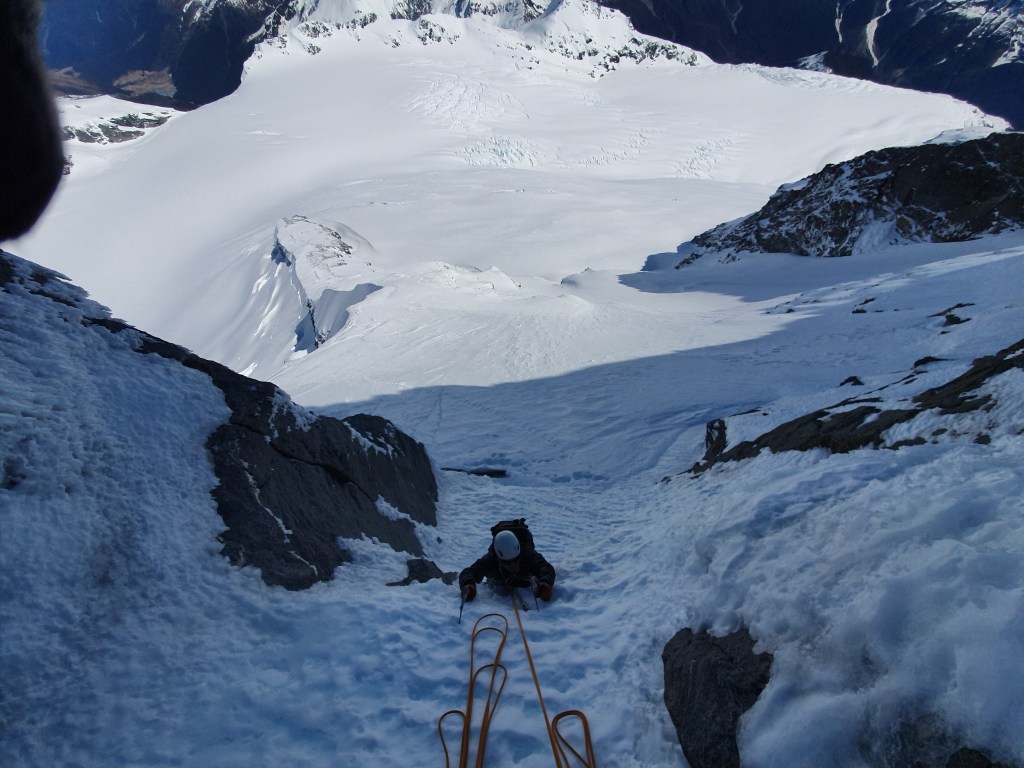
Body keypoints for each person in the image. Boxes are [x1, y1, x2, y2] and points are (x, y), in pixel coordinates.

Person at [459, 525, 556, 603]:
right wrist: (468, 583)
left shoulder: (527, 553)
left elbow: (545, 567)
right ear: (499, 559)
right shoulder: (491, 559)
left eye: (516, 559)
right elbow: (469, 572)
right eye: (508, 562)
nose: (513, 565)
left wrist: (545, 582)